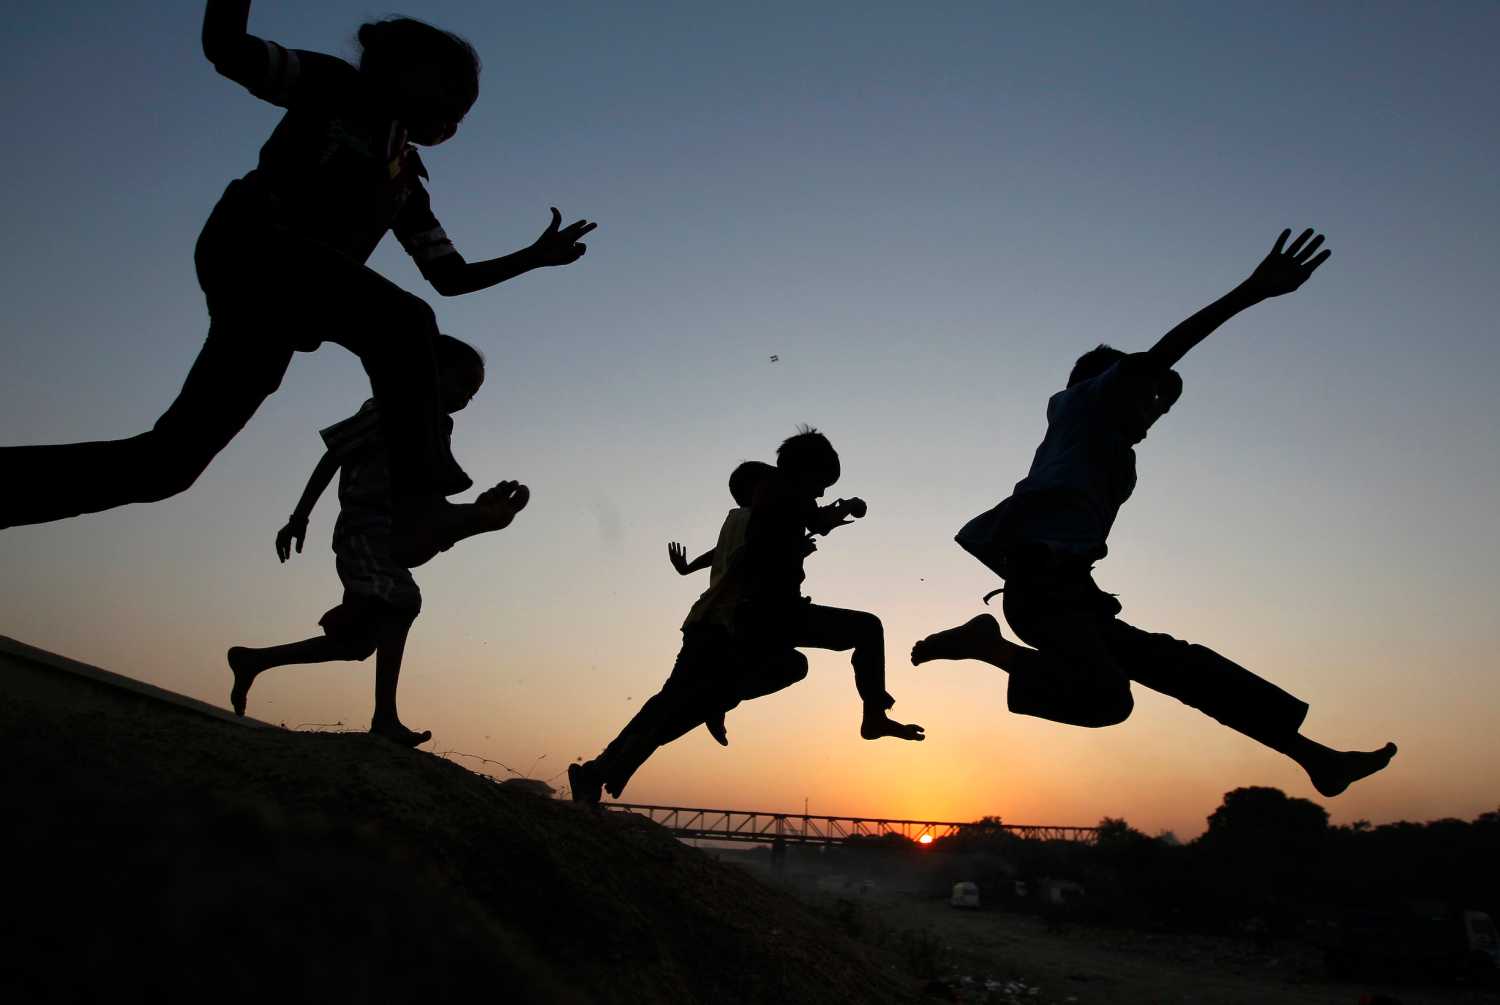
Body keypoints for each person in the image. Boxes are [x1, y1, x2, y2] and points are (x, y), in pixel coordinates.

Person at [0, 2, 592, 565]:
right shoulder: (336, 88)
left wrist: (532, 258)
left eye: (464, 112)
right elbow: (226, 48)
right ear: (406, 71)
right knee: (403, 322)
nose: (456, 118)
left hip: (283, 310)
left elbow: (450, 277)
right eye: (451, 96)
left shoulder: (404, 179)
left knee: (167, 468)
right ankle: (418, 500)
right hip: (256, 248)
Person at [912, 229, 1396, 798]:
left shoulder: (1104, 445)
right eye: (1145, 400)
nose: (1152, 413)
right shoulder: (1082, 407)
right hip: (1044, 590)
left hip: (1072, 594)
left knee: (1189, 672)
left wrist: (1163, 392)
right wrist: (1252, 291)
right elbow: (1162, 357)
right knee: (1107, 701)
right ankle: (986, 645)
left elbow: (1157, 382)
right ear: (1109, 387)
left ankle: (1316, 758)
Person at [570, 428, 922, 804]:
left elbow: (808, 518)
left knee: (697, 695)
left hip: (747, 617)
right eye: (821, 483)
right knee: (862, 630)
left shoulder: (776, 499)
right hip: (762, 616)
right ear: (802, 473)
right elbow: (790, 525)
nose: (820, 493)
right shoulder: (778, 491)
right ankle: (871, 715)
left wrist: (828, 518)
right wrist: (824, 520)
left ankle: (604, 768)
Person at [226, 335, 528, 746]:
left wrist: (470, 514)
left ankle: (254, 660)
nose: (463, 398)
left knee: (358, 643)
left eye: (471, 395)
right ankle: (384, 718)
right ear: (428, 374)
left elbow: (427, 493)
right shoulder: (389, 409)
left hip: (398, 528)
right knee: (402, 599)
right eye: (460, 385)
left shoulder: (438, 428)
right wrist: (300, 515)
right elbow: (334, 454)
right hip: (362, 529)